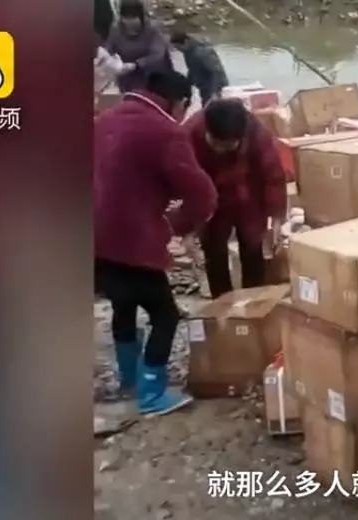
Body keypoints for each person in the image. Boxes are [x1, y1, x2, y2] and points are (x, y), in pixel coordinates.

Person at [94, 69, 218, 416]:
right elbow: (202, 194)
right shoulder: (165, 132)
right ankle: (152, 394)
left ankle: (129, 378)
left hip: (93, 238)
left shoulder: (104, 121)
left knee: (123, 303)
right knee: (165, 315)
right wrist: (177, 225)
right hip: (132, 240)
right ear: (178, 102)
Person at [184, 99, 286, 299]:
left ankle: (254, 301)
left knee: (253, 248)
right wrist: (187, 228)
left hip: (248, 196)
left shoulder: (256, 133)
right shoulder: (189, 134)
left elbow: (273, 174)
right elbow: (184, 183)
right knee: (214, 252)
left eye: (227, 146)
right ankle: (222, 304)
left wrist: (276, 217)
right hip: (211, 200)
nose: (220, 150)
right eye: (216, 144)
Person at [104, 0, 174, 93]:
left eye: (133, 17)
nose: (129, 22)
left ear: (141, 17)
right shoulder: (116, 29)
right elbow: (109, 49)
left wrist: (136, 64)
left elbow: (157, 54)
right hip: (127, 76)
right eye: (126, 18)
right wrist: (113, 64)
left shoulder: (152, 29)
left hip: (152, 75)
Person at [169, 31, 230, 107]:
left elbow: (215, 72)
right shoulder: (187, 52)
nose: (179, 50)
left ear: (186, 42)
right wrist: (187, 84)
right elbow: (193, 68)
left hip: (214, 85)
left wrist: (214, 92)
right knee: (206, 105)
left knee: (211, 107)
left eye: (179, 47)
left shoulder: (202, 52)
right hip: (204, 86)